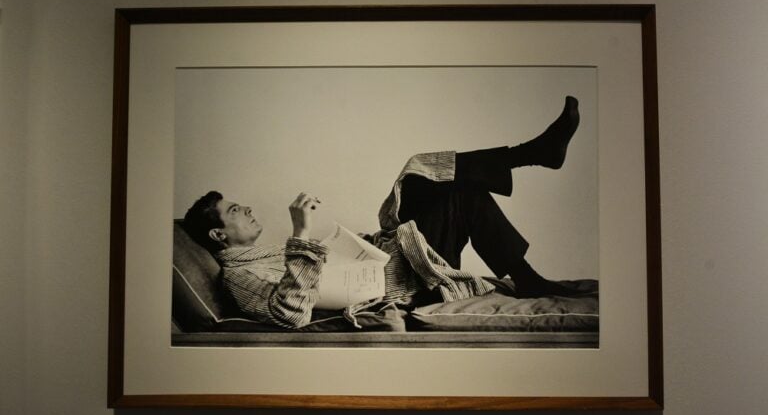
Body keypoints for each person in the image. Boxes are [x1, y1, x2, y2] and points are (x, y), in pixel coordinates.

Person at [183, 96, 586, 329]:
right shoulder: (238, 276)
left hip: (392, 259)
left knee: (427, 177)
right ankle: (531, 159)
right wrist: (301, 235)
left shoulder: (259, 256)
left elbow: (323, 278)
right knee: (442, 187)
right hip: (409, 282)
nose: (248, 208)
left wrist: (358, 246)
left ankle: (532, 161)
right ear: (219, 235)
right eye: (235, 209)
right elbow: (288, 315)